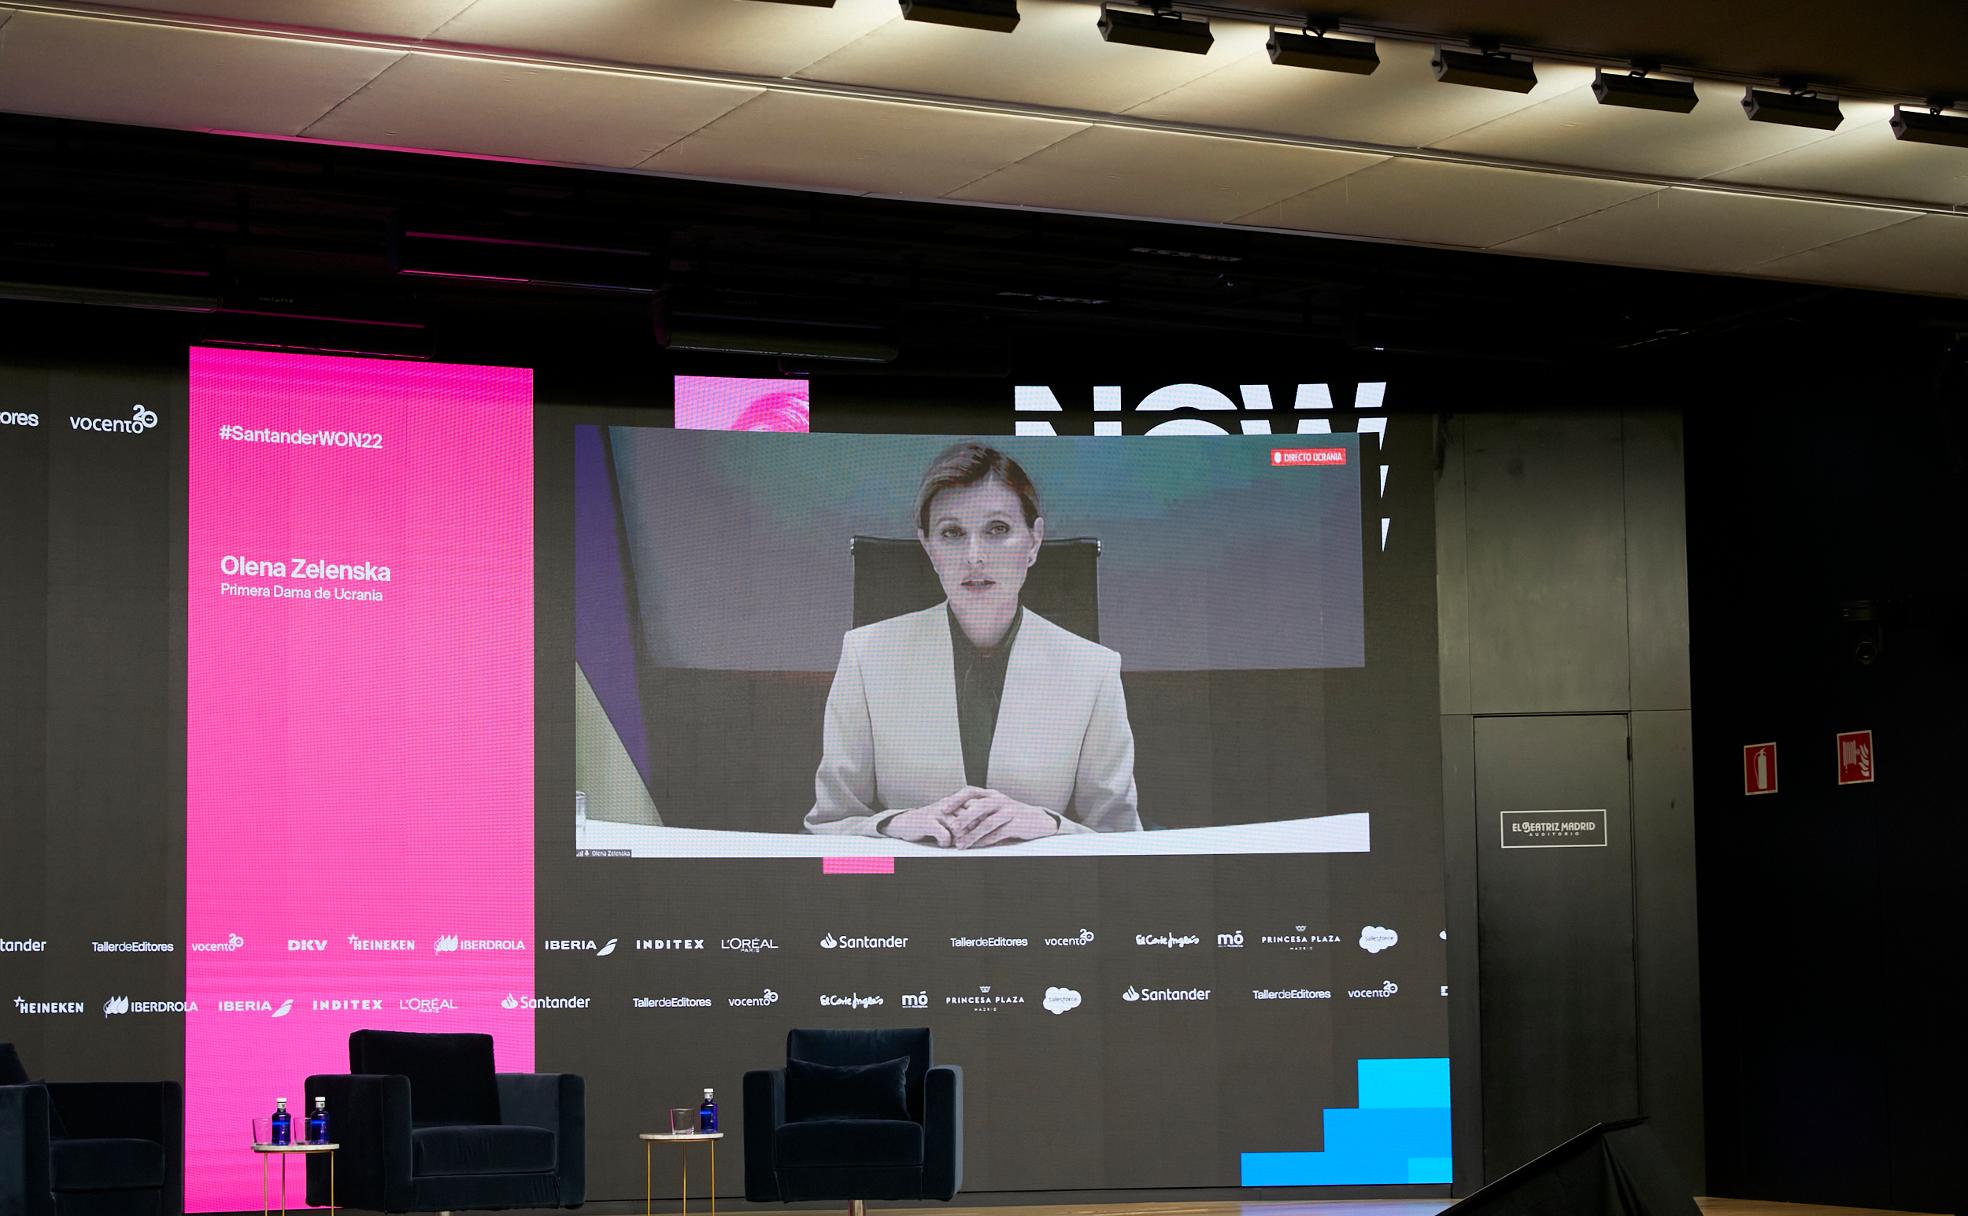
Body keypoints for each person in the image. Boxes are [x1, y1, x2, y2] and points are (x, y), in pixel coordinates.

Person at [806, 442, 1141, 847]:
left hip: (1040, 884)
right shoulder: (865, 656)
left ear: (1034, 541)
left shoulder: (1094, 670)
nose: (974, 557)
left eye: (997, 529)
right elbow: (829, 825)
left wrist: (1049, 825)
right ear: (929, 547)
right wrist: (896, 824)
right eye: (952, 533)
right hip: (909, 881)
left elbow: (1122, 840)